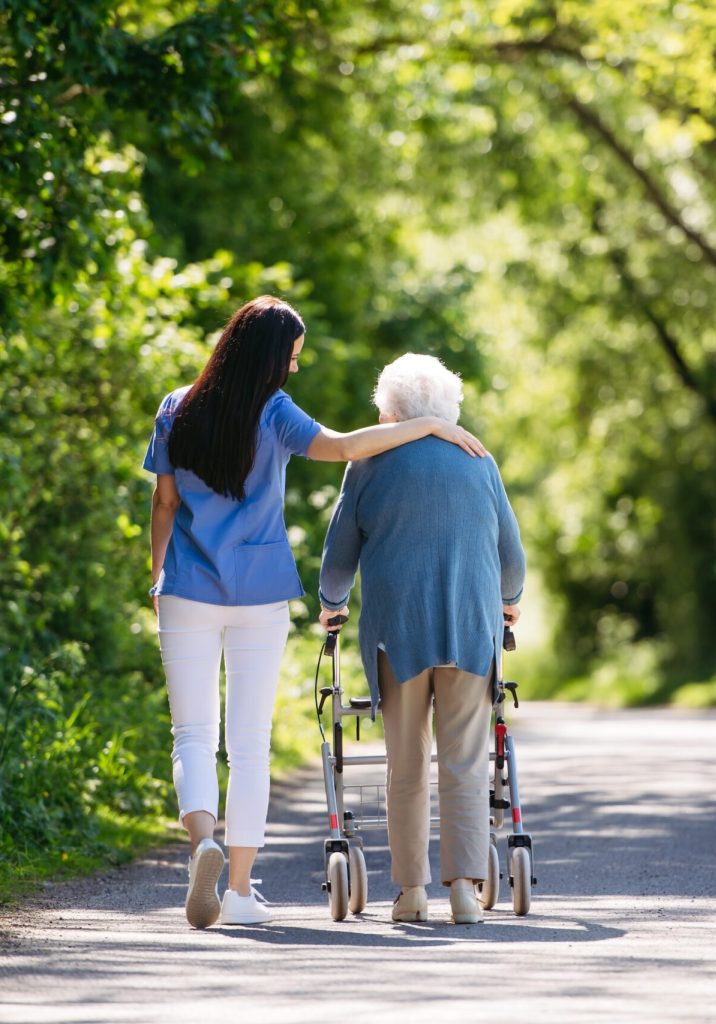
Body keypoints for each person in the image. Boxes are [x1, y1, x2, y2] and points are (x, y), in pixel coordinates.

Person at [143, 297, 486, 929]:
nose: (294, 371)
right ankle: (239, 891)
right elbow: (345, 446)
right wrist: (430, 426)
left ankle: (203, 846)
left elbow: (164, 503)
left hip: (186, 588)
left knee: (191, 735)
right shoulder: (273, 413)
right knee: (248, 744)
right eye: (292, 358)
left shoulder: (176, 406)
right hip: (261, 592)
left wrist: (158, 573)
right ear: (270, 357)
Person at [318, 353, 525, 924]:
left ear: (392, 410)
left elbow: (338, 557)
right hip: (469, 626)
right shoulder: (479, 460)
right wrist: (510, 603)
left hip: (397, 633)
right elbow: (512, 555)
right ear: (446, 410)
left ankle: (411, 893)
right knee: (464, 759)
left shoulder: (367, 465)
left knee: (406, 764)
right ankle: (464, 890)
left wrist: (331, 607)